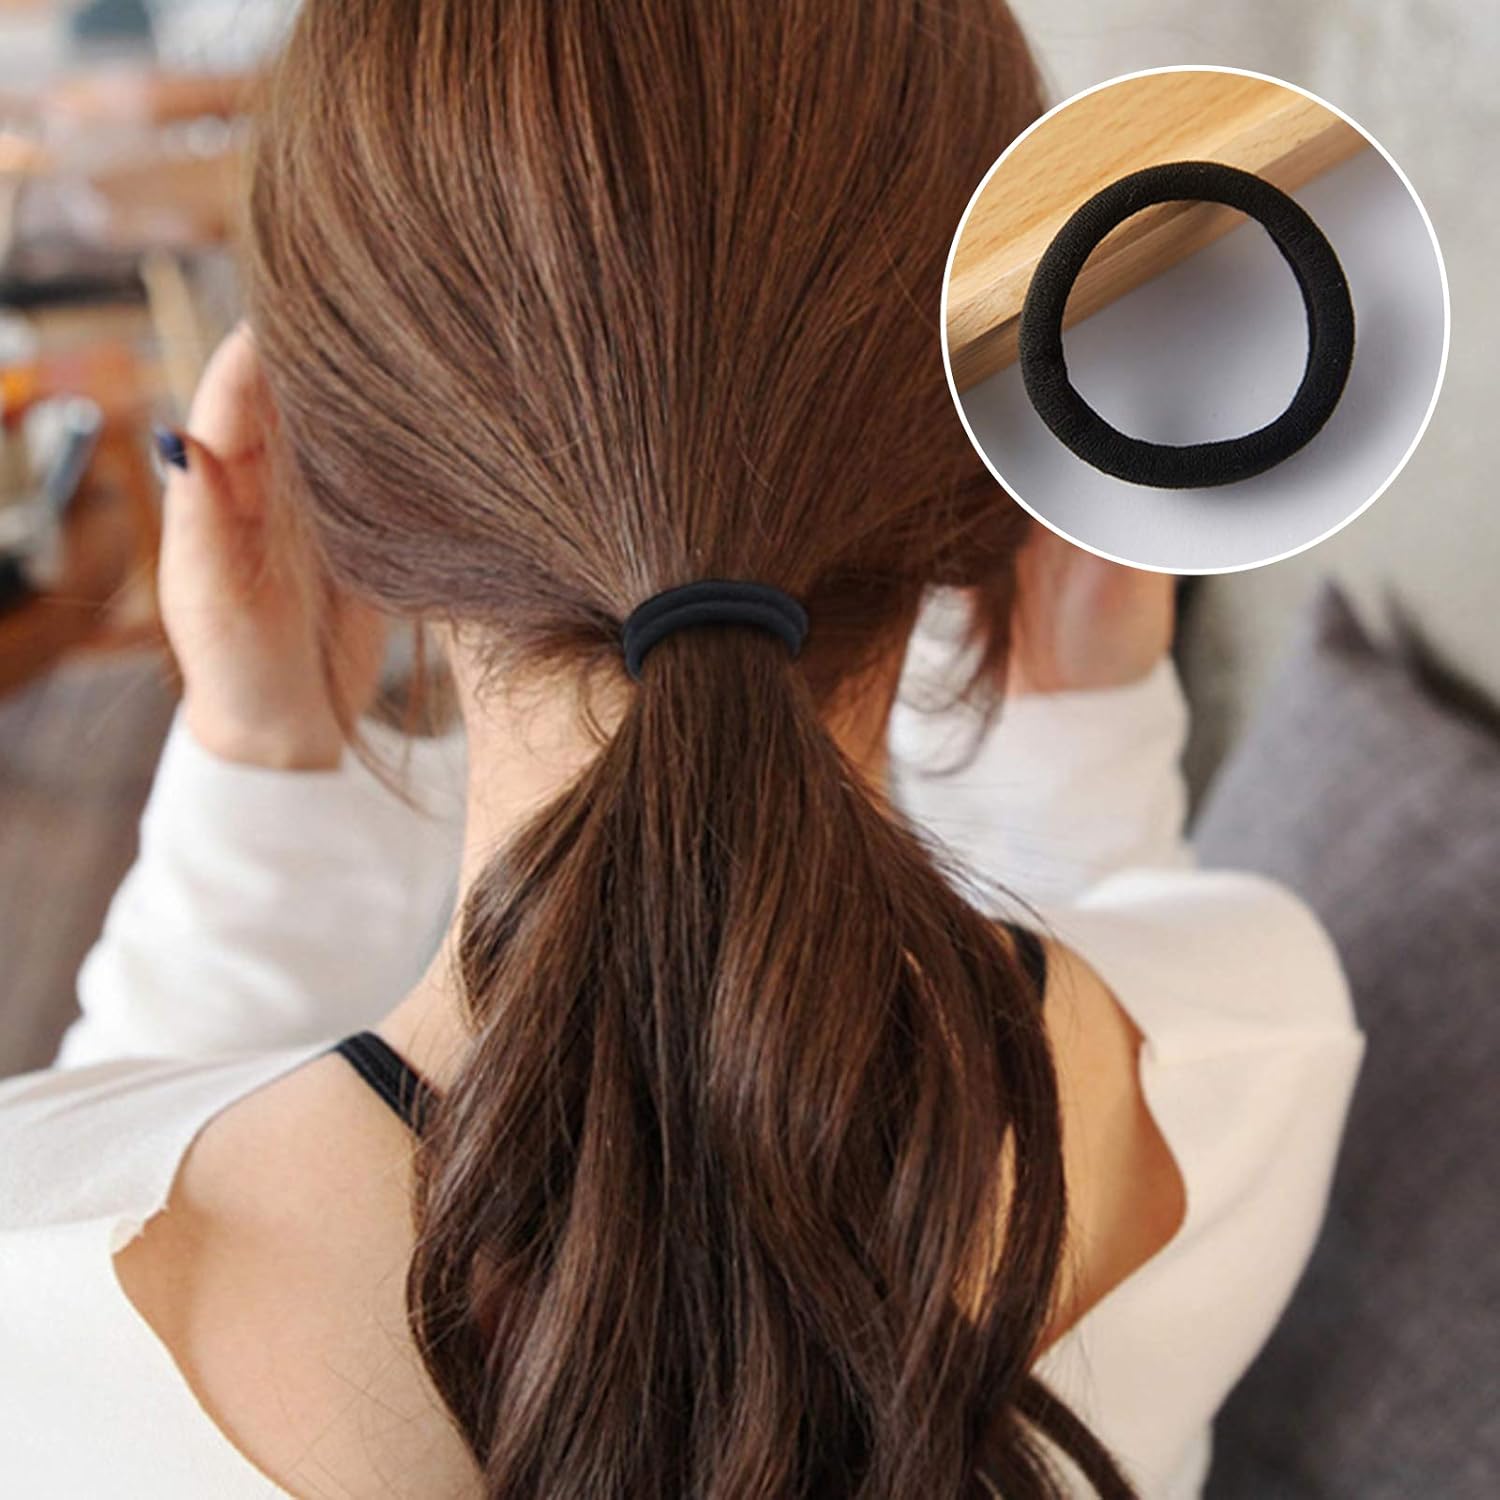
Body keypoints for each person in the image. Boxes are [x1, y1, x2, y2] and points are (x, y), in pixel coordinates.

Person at [0, 3, 1364, 1496]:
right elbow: (1123, 975)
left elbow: (124, 1166)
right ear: (1011, 463)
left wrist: (260, 773)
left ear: (339, 473)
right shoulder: (1252, 1052)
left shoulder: (44, 1284)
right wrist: (1078, 726)